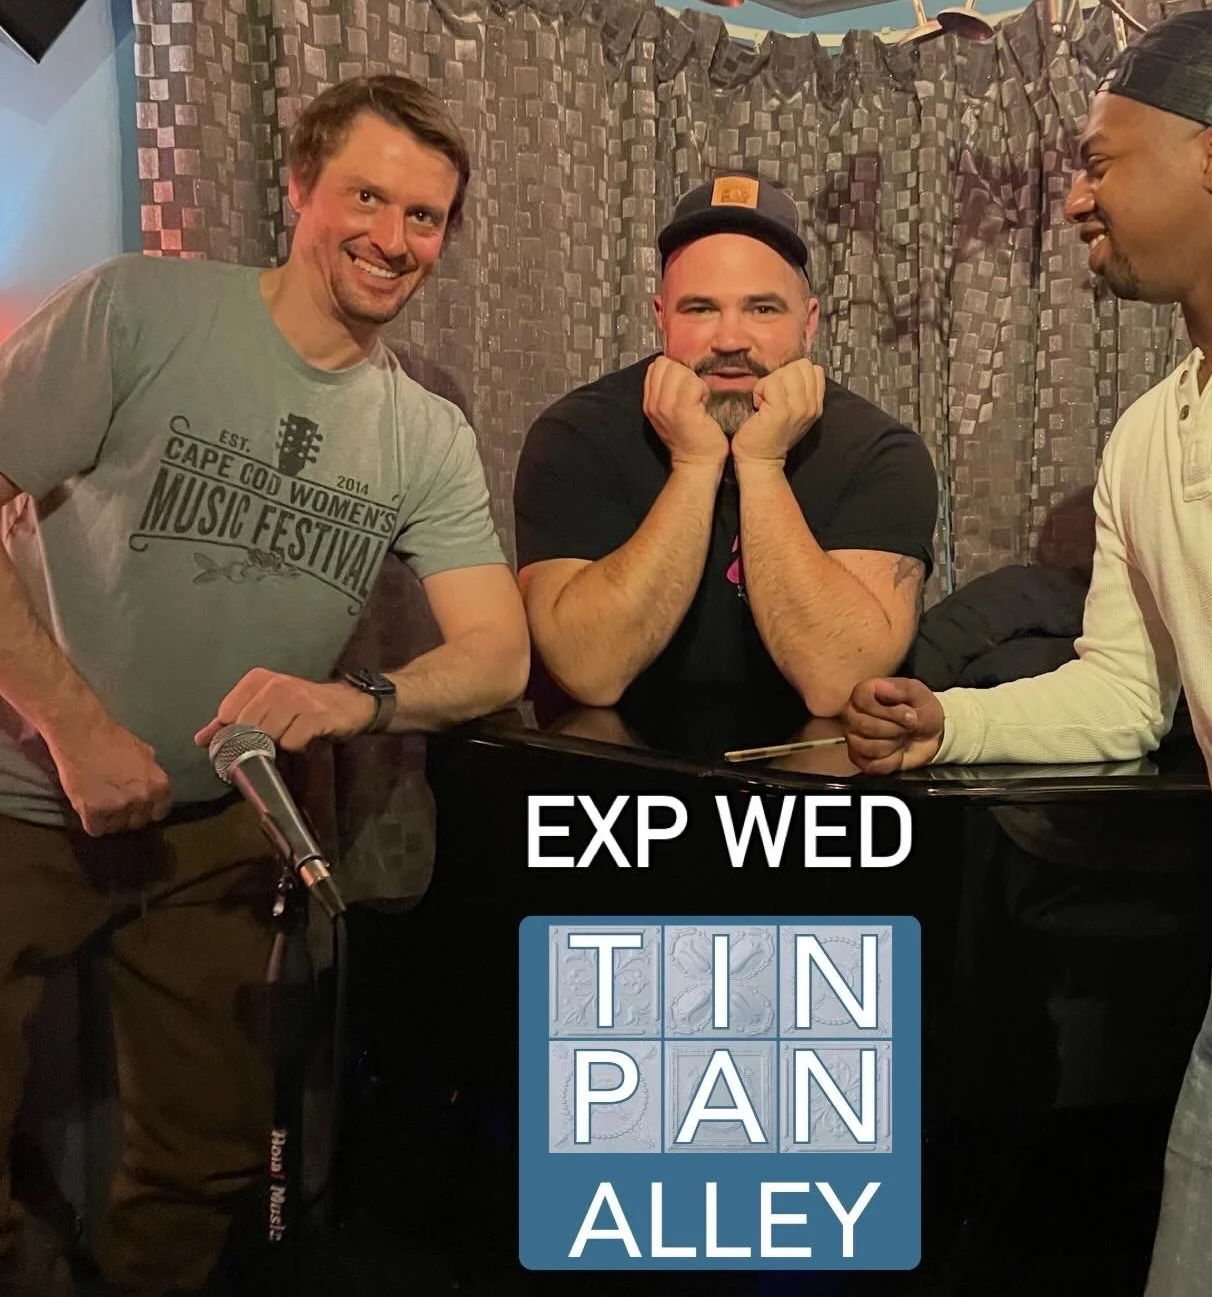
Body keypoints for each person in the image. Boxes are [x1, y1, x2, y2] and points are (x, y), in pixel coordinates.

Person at [841, 8, 1212, 1295]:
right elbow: (1124, 695)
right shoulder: (1142, 435)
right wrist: (951, 723)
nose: (1074, 199)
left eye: (1101, 161)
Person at [0, 73, 529, 1296]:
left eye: (425, 217)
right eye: (367, 197)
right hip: (22, 803)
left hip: (219, 834)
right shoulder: (140, 308)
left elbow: (496, 653)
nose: (393, 238)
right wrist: (76, 729)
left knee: (209, 1160)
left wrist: (358, 702)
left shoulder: (423, 432)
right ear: (299, 186)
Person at [512, 173, 937, 733]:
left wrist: (761, 465)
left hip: (812, 778)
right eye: (700, 309)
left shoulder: (881, 453)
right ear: (661, 317)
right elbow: (589, 671)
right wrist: (694, 465)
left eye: (762, 309)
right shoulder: (576, 435)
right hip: (613, 777)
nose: (731, 339)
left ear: (809, 323)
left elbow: (839, 680)